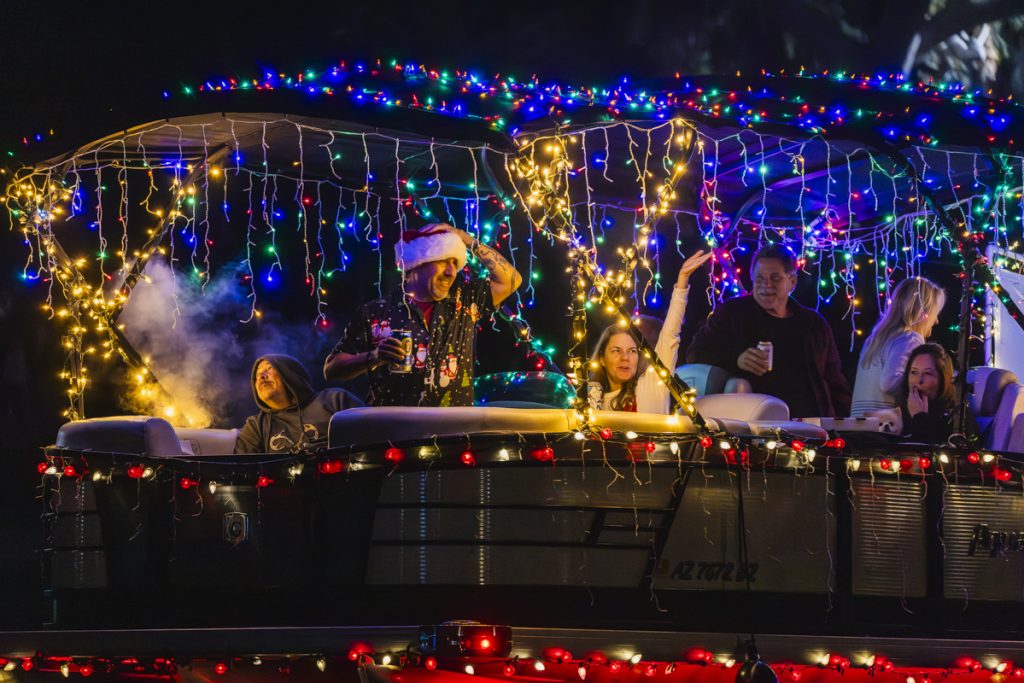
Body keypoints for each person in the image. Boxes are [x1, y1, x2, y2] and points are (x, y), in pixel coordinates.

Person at [324, 223, 521, 406]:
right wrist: (375, 356)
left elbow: (511, 279)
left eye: (455, 262)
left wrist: (464, 238)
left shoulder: (467, 300)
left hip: (453, 432)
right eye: (443, 260)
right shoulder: (375, 311)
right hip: (392, 433)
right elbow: (331, 369)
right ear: (418, 263)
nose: (452, 272)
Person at [685, 243, 851, 417]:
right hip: (752, 427)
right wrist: (736, 359)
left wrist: (844, 424)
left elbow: (834, 381)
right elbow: (695, 353)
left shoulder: (814, 324)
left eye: (775, 278)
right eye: (760, 278)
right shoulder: (732, 314)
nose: (766, 285)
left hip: (810, 426)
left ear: (792, 282)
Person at [590, 250, 713, 413]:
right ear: (602, 359)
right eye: (616, 351)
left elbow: (670, 334)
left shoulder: (652, 383)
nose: (625, 357)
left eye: (632, 351)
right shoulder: (592, 398)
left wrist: (682, 281)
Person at [850, 277, 945, 416]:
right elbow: (889, 382)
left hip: (859, 423)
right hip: (882, 427)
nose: (936, 321)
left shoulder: (875, 338)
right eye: (935, 313)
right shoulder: (909, 338)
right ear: (922, 312)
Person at [234, 354, 363, 454]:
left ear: (290, 374)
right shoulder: (256, 426)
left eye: (269, 368)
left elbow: (372, 435)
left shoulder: (334, 400)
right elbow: (242, 469)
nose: (261, 376)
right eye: (257, 375)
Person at [896, 343, 973, 444]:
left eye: (927, 373)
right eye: (914, 372)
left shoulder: (957, 417)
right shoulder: (899, 413)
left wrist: (919, 417)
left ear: (942, 378)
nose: (919, 381)